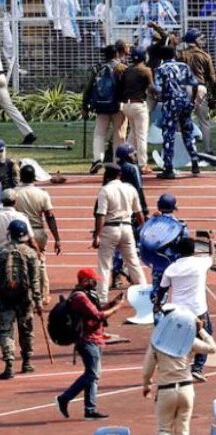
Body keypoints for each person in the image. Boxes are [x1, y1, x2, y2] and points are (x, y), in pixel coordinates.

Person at [142, 311, 216, 435]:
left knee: (164, 430)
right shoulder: (188, 340)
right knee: (182, 431)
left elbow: (147, 369)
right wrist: (201, 330)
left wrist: (146, 385)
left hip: (165, 390)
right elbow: (213, 348)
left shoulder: (157, 342)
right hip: (186, 389)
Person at [56, 268, 126, 420]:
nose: (96, 283)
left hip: (95, 338)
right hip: (87, 340)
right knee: (92, 374)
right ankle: (65, 397)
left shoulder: (87, 295)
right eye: (94, 280)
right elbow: (98, 315)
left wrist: (112, 303)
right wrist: (117, 308)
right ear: (85, 281)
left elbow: (97, 309)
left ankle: (90, 409)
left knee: (93, 375)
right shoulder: (80, 297)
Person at [159, 234, 216, 381]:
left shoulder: (171, 268)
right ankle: (197, 367)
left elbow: (162, 289)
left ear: (178, 251)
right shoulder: (200, 263)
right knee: (205, 335)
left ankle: (177, 367)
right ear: (194, 250)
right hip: (198, 310)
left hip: (178, 311)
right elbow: (212, 257)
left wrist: (157, 304)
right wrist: (211, 241)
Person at [92, 164, 147, 302]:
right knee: (133, 262)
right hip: (127, 227)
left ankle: (102, 298)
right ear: (120, 175)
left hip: (110, 228)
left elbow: (101, 215)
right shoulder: (130, 189)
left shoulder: (105, 190)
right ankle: (145, 294)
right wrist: (145, 230)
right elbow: (139, 213)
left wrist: (96, 235)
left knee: (105, 264)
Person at [0, 220, 43, 378]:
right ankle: (27, 362)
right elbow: (35, 281)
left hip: (5, 298)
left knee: (5, 331)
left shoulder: (2, 252)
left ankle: (9, 362)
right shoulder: (30, 253)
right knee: (26, 330)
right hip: (25, 298)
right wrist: (38, 301)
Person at [154, 46, 201, 179]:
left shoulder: (161, 69)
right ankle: (195, 161)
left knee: (169, 134)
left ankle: (168, 167)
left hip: (170, 103)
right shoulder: (184, 66)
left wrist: (159, 96)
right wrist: (192, 100)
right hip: (184, 101)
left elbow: (157, 88)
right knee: (188, 132)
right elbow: (195, 84)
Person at [14, 164, 60, 301]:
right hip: (38, 232)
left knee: (19, 263)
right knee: (40, 263)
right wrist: (57, 238)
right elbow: (50, 216)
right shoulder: (42, 194)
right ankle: (43, 295)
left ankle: (21, 294)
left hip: (20, 232)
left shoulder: (14, 193)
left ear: (21, 177)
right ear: (34, 178)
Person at [83, 44, 126, 173]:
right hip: (118, 106)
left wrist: (84, 106)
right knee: (119, 133)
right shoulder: (122, 68)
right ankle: (118, 161)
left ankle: (97, 159)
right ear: (117, 54)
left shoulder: (97, 68)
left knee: (99, 133)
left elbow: (88, 88)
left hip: (101, 106)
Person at [177, 29, 216, 154]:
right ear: (195, 40)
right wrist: (213, 97)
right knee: (204, 121)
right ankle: (208, 150)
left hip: (184, 88)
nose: (203, 40)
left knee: (182, 121)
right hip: (200, 88)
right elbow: (212, 79)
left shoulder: (181, 55)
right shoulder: (205, 55)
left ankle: (182, 151)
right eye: (200, 38)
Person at [119, 47, 154, 171]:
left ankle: (124, 158)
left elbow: (121, 87)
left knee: (133, 134)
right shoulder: (145, 70)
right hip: (139, 104)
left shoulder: (127, 70)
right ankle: (142, 164)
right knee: (141, 135)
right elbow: (151, 88)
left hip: (127, 105)